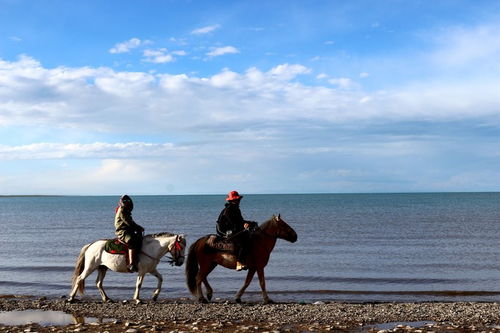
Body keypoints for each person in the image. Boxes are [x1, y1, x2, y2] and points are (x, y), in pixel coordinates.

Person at [216, 190, 255, 271]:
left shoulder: (236, 208)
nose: (238, 201)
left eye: (238, 199)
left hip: (231, 227)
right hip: (223, 230)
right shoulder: (229, 210)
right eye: (237, 200)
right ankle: (239, 262)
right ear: (233, 200)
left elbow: (240, 221)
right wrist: (244, 225)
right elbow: (234, 223)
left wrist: (250, 223)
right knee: (243, 242)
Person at [114, 195, 144, 272]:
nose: (127, 203)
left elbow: (131, 222)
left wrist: (138, 228)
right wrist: (138, 227)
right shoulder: (122, 210)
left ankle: (137, 257)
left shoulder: (126, 211)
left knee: (139, 238)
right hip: (122, 231)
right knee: (131, 241)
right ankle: (131, 264)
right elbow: (128, 222)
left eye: (128, 202)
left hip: (128, 230)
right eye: (125, 202)